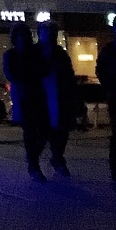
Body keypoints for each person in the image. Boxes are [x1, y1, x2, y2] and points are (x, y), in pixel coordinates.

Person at [3, 23, 51, 178]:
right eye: (20, 36)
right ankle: (33, 165)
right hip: (24, 97)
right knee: (30, 131)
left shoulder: (35, 52)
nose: (23, 39)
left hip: (38, 96)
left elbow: (44, 70)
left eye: (25, 36)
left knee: (44, 131)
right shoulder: (10, 55)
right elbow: (11, 74)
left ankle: (33, 159)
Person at [37, 22, 78, 178]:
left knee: (60, 131)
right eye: (46, 32)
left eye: (52, 33)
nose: (49, 36)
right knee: (41, 133)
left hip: (60, 99)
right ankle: (34, 163)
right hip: (40, 99)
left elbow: (69, 76)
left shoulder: (60, 54)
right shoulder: (35, 53)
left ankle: (57, 158)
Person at [95, 33, 116, 183]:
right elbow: (100, 71)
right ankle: (115, 169)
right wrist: (110, 87)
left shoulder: (109, 50)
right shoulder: (109, 50)